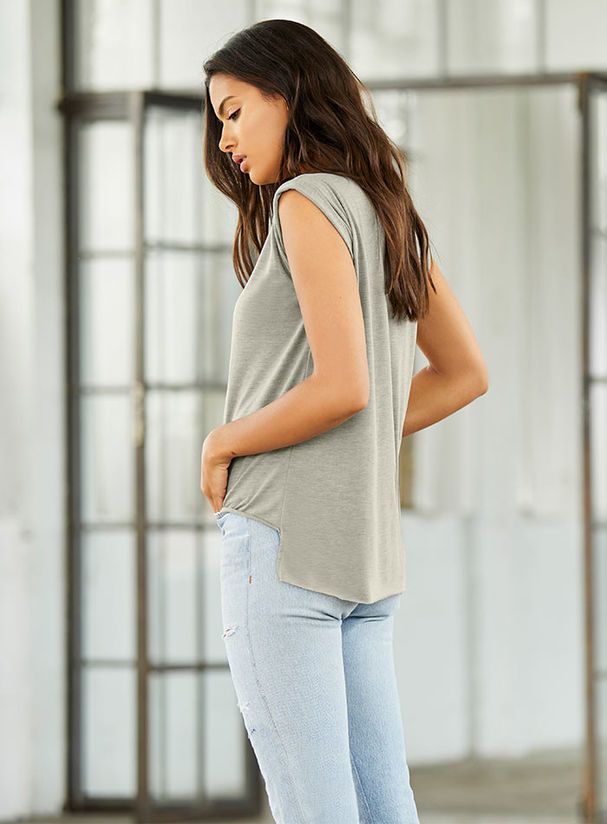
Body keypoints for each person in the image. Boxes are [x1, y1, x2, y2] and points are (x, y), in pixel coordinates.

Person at [200, 18, 488, 824]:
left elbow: (342, 386)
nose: (223, 139)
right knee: (382, 808)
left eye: (233, 111)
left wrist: (223, 441)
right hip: (362, 560)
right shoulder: (386, 210)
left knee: (313, 809)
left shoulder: (301, 201)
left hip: (282, 543)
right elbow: (463, 375)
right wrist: (351, 445)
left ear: (289, 92)